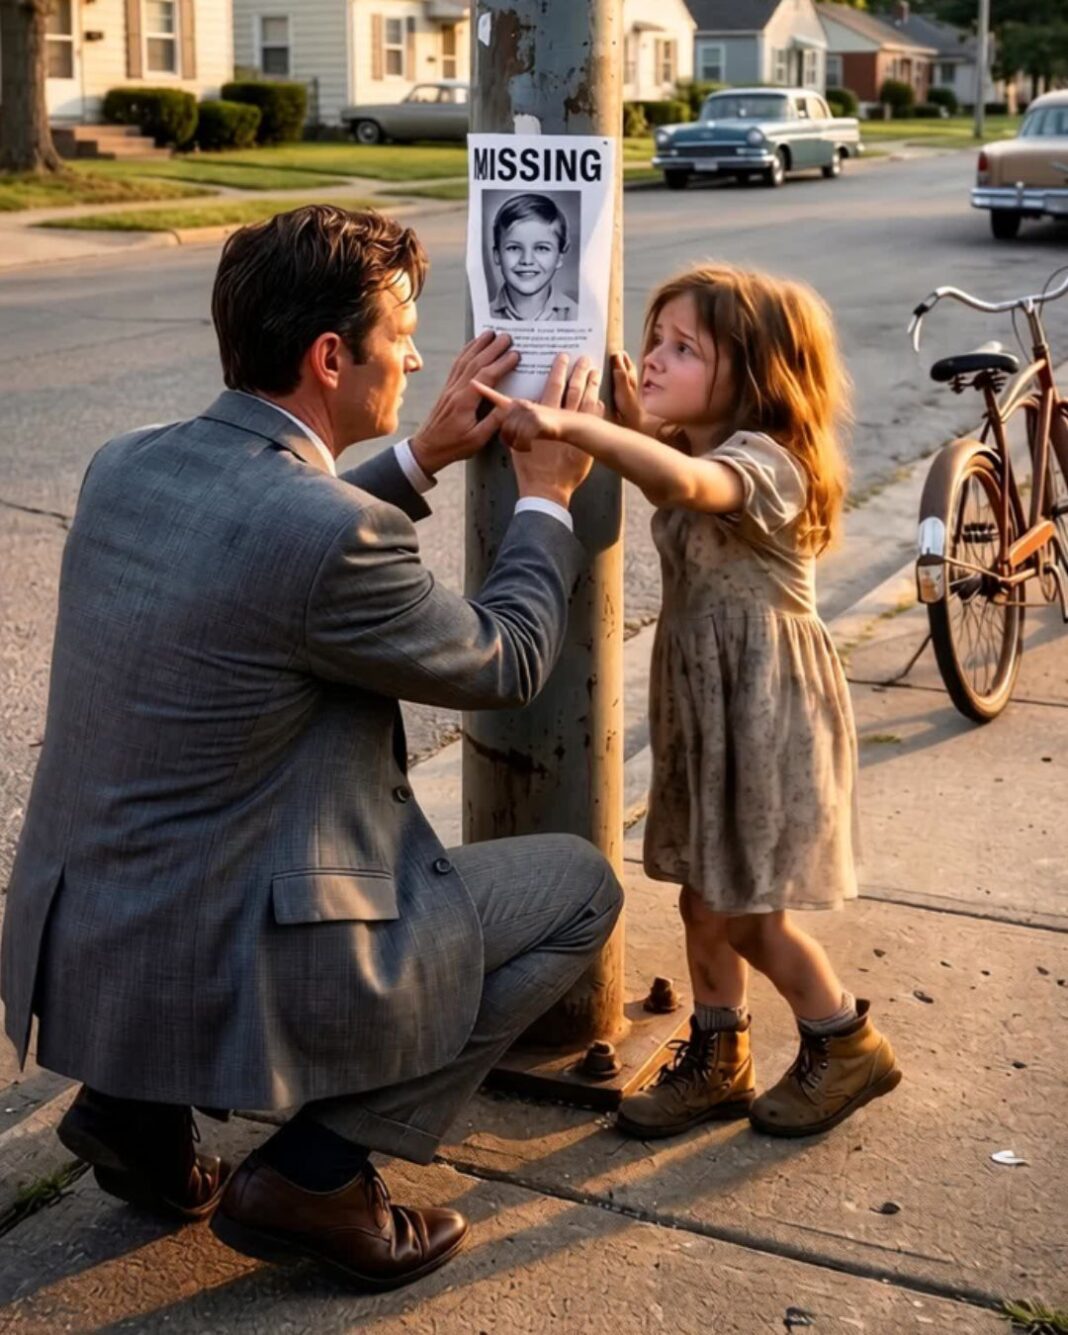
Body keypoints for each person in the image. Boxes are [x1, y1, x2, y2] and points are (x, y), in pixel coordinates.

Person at [0, 204, 622, 1289]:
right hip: (226, 941)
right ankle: (316, 1176)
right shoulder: (328, 535)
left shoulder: (126, 463)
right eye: (405, 333)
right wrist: (546, 503)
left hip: (94, 937)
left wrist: (421, 454)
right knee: (576, 888)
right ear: (332, 357)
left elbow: (268, 547)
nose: (423, 353)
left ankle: (136, 1115)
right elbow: (505, 660)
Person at [476, 263, 901, 1143]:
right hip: (713, 710)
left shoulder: (767, 463)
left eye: (682, 348)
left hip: (766, 713)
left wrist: (568, 424)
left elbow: (687, 489)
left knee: (747, 908)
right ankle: (720, 1053)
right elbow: (676, 477)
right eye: (655, 339)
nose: (654, 357)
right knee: (703, 899)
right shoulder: (707, 451)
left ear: (755, 375)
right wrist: (635, 428)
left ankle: (844, 1037)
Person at [489, 193, 578, 323]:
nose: (527, 260)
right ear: (497, 255)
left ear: (559, 257)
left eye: (542, 248)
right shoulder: (484, 315)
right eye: (514, 248)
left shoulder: (575, 315)